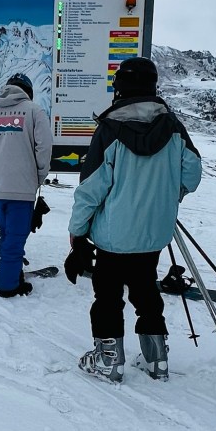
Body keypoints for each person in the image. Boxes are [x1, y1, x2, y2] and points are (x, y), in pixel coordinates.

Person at [66, 56, 202, 382]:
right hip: (154, 233)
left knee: (108, 296)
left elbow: (91, 188)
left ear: (120, 88)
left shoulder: (110, 129)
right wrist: (168, 196)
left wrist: (77, 231)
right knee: (146, 291)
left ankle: (109, 360)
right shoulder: (172, 127)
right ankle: (157, 360)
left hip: (113, 235)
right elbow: (192, 173)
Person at [0, 73, 52, 298]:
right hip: (22, 187)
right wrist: (38, 177)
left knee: (7, 235)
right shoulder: (34, 111)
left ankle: (9, 271)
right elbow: (44, 148)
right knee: (15, 239)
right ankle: (8, 285)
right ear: (29, 91)